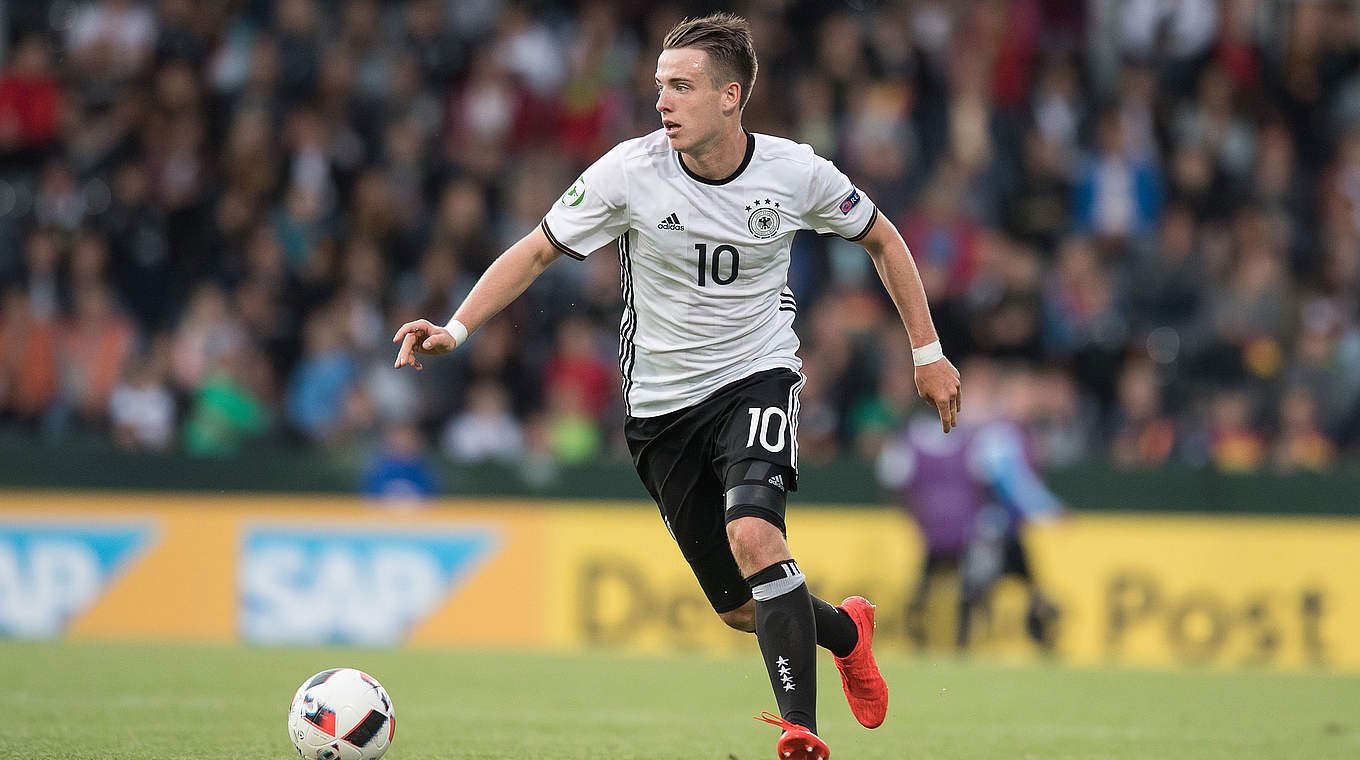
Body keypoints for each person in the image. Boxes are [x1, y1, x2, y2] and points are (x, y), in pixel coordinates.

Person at [392, 14, 961, 758]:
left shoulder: (796, 172)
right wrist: (456, 328)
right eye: (660, 85)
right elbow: (534, 252)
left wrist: (927, 351)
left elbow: (883, 238)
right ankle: (848, 634)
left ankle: (802, 733)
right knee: (739, 607)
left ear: (731, 96)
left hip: (757, 375)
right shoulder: (628, 172)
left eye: (682, 86)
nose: (662, 101)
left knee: (755, 533)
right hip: (660, 409)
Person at [877, 361, 1060, 653]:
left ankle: (962, 641)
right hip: (980, 530)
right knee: (974, 586)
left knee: (966, 585)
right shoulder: (988, 438)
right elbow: (1011, 484)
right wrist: (1045, 510)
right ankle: (962, 642)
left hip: (977, 530)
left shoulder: (985, 436)